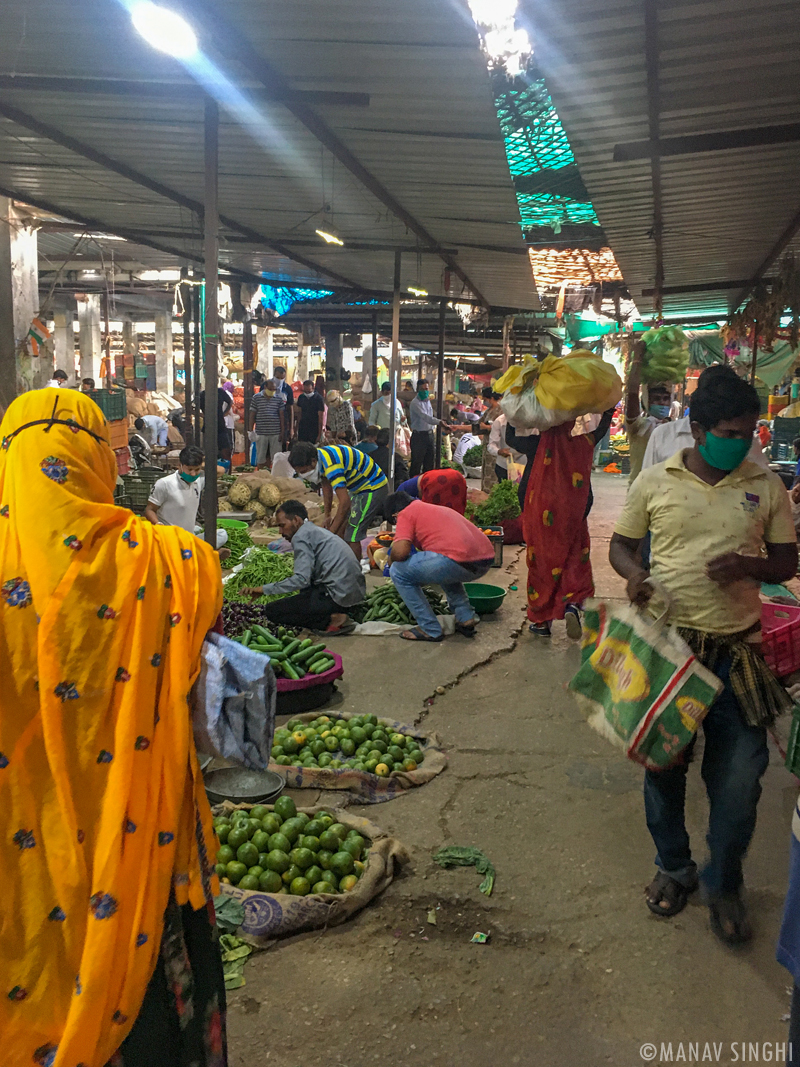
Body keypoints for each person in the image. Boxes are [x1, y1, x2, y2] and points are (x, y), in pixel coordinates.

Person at [0, 389, 227, 1066]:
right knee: (159, 1011)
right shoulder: (162, 561)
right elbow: (209, 655)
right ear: (103, 458)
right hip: (141, 848)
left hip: (26, 853)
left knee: (33, 973)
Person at [609, 365, 796, 943]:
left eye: (749, 432)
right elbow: (619, 546)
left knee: (740, 780)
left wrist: (747, 566)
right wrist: (635, 574)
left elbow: (788, 565)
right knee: (663, 769)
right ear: (698, 427)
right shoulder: (655, 481)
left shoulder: (763, 487)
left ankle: (726, 880)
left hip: (740, 654)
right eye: (732, 431)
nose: (742, 441)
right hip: (667, 649)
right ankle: (673, 866)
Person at [521, 407, 614, 639]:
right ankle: (572, 603)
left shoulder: (539, 441)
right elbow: (601, 430)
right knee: (573, 555)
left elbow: (513, 435)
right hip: (574, 508)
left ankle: (542, 622)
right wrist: (609, 411)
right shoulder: (583, 442)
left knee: (542, 560)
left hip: (543, 509)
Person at [241, 499, 365, 634]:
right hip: (353, 593)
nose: (280, 532)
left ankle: (332, 619)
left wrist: (264, 589)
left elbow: (301, 579)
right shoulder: (313, 530)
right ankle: (338, 611)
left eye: (283, 525)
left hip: (338, 596)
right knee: (304, 594)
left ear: (296, 520)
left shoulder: (300, 537)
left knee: (272, 611)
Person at [383, 491, 493, 641]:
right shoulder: (432, 509)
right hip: (484, 560)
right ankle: (465, 617)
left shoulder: (406, 513)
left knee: (397, 571)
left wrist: (390, 559)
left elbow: (401, 551)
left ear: (395, 515)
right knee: (442, 565)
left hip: (458, 559)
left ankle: (429, 628)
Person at [642, 370, 770, 471]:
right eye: (729, 433)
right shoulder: (663, 434)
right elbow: (646, 484)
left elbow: (761, 474)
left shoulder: (746, 441)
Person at [289, 440, 388, 562]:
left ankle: (355, 568)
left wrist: (329, 534)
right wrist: (328, 516)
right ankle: (341, 561)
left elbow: (345, 502)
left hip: (372, 488)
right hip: (358, 488)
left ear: (313, 462)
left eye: (303, 471)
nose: (302, 475)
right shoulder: (320, 456)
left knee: (352, 533)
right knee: (341, 527)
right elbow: (326, 486)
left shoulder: (332, 466)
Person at [144, 444, 228, 552]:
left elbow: (221, 471)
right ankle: (202, 552)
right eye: (189, 470)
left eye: (197, 470)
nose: (193, 474)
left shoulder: (198, 480)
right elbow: (149, 510)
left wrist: (201, 464)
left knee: (222, 534)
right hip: (171, 539)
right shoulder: (165, 484)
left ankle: (197, 551)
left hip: (189, 536)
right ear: (180, 465)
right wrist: (158, 525)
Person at [624, 341, 673, 483]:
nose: (662, 403)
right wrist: (637, 360)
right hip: (639, 489)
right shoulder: (638, 426)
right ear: (647, 402)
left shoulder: (674, 428)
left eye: (665, 399)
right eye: (656, 399)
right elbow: (632, 392)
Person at [408, 378, 449, 476]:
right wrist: (439, 422)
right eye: (423, 389)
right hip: (419, 437)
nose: (425, 391)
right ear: (418, 390)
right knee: (416, 464)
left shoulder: (427, 401)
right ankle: (413, 486)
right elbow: (425, 417)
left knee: (429, 463)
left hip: (429, 435)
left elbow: (431, 416)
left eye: (427, 389)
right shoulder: (415, 403)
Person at [249, 378, 286, 469]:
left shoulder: (278, 398)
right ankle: (261, 475)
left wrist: (282, 431)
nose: (272, 391)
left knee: (276, 458)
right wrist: (250, 431)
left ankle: (275, 475)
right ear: (265, 387)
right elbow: (252, 415)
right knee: (261, 457)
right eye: (270, 389)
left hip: (275, 432)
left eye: (274, 389)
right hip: (261, 432)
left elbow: (282, 416)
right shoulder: (256, 398)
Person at [197, 386, 233, 463]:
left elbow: (229, 401)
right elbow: (193, 407)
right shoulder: (202, 394)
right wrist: (203, 415)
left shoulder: (220, 392)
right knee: (210, 452)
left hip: (220, 425)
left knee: (226, 451)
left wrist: (225, 412)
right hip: (208, 426)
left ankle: (226, 471)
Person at [295, 379, 325, 443]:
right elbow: (299, 414)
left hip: (314, 428)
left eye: (309, 391)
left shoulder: (318, 399)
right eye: (305, 391)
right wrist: (296, 429)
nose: (307, 393)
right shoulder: (301, 397)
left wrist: (320, 434)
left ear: (313, 388)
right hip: (303, 428)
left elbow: (321, 417)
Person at [273, 364, 294, 445]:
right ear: (274, 375)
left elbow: (290, 408)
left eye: (282, 378)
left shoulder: (287, 389)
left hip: (283, 422)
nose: (280, 380)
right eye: (278, 378)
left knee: (281, 444)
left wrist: (291, 428)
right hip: (268, 422)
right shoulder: (265, 386)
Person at [487, 410, 511, 482]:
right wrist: (499, 451)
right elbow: (491, 445)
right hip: (504, 465)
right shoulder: (500, 421)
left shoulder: (529, 420)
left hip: (524, 464)